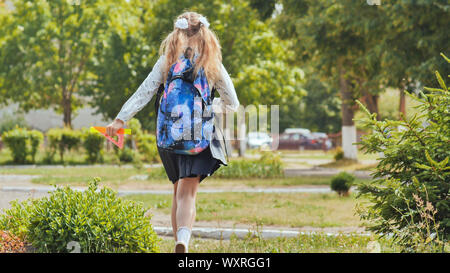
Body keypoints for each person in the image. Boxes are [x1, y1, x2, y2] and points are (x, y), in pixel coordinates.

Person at [106, 11, 239, 253]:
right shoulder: (211, 63)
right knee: (188, 194)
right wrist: (210, 106)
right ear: (205, 34)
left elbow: (144, 92)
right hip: (197, 137)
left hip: (168, 137)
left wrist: (120, 119)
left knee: (178, 190)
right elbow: (233, 103)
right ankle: (183, 241)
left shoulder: (167, 61)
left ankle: (177, 240)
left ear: (176, 32)